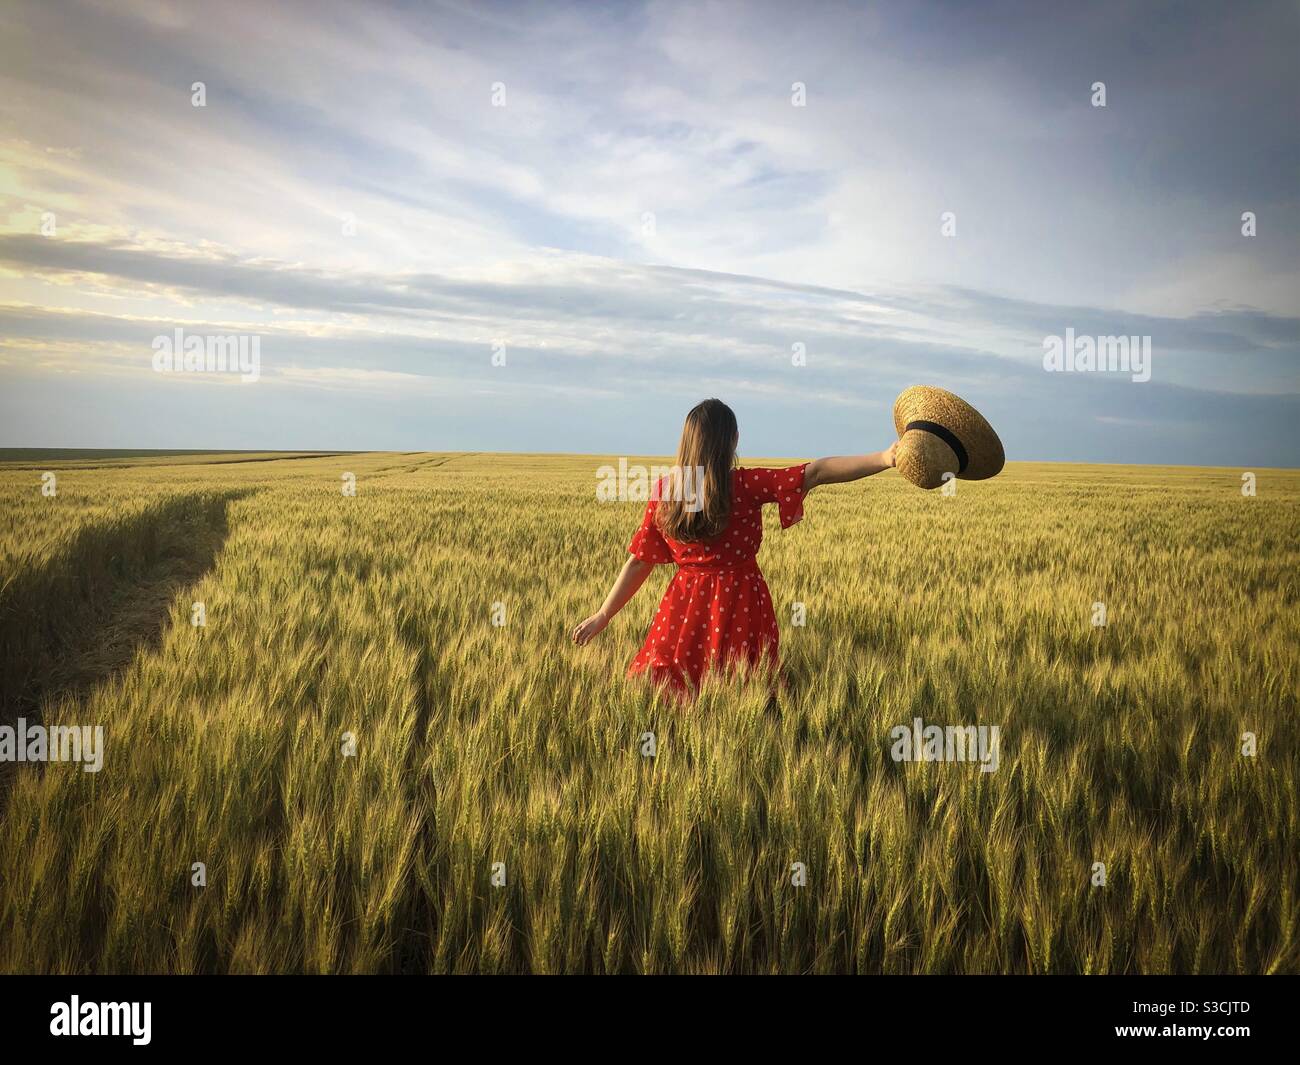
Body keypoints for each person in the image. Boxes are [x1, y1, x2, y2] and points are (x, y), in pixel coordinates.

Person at [572, 398, 898, 698]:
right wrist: (884, 458)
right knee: (743, 684)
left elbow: (639, 562)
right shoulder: (746, 485)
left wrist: (604, 614)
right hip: (742, 598)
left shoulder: (666, 492)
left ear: (685, 442)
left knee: (677, 684)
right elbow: (816, 472)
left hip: (685, 603)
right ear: (733, 440)